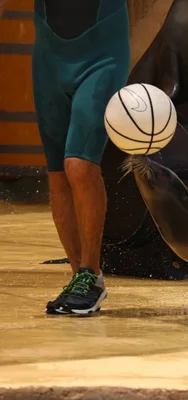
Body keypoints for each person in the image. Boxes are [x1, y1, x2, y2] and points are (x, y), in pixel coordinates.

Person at [32, 0, 131, 315]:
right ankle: (81, 279)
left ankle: (91, 271)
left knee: (79, 164)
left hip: (102, 54)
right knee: (57, 173)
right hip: (48, 58)